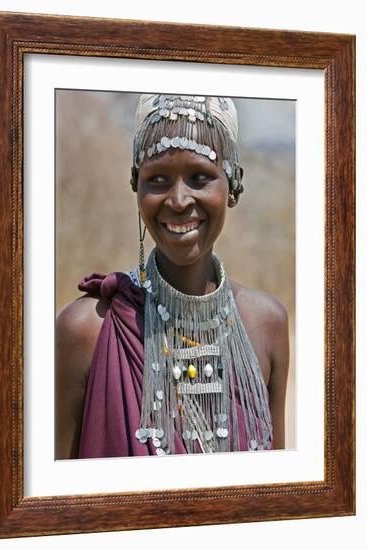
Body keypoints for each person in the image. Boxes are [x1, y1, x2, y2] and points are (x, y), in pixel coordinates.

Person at [55, 94, 290, 460]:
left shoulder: (267, 324)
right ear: (136, 186)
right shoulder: (87, 329)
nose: (179, 200)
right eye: (158, 179)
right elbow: (54, 501)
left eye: (200, 178)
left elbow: (275, 497)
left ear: (233, 185)